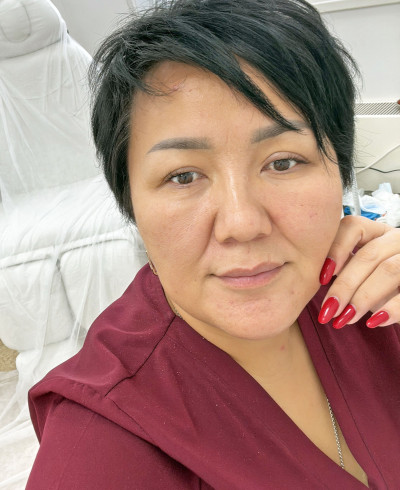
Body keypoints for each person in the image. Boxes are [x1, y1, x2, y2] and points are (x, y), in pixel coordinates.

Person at [27, 0, 400, 488]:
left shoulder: (374, 300)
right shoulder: (99, 451)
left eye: (283, 162)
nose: (242, 224)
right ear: (130, 202)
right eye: (183, 176)